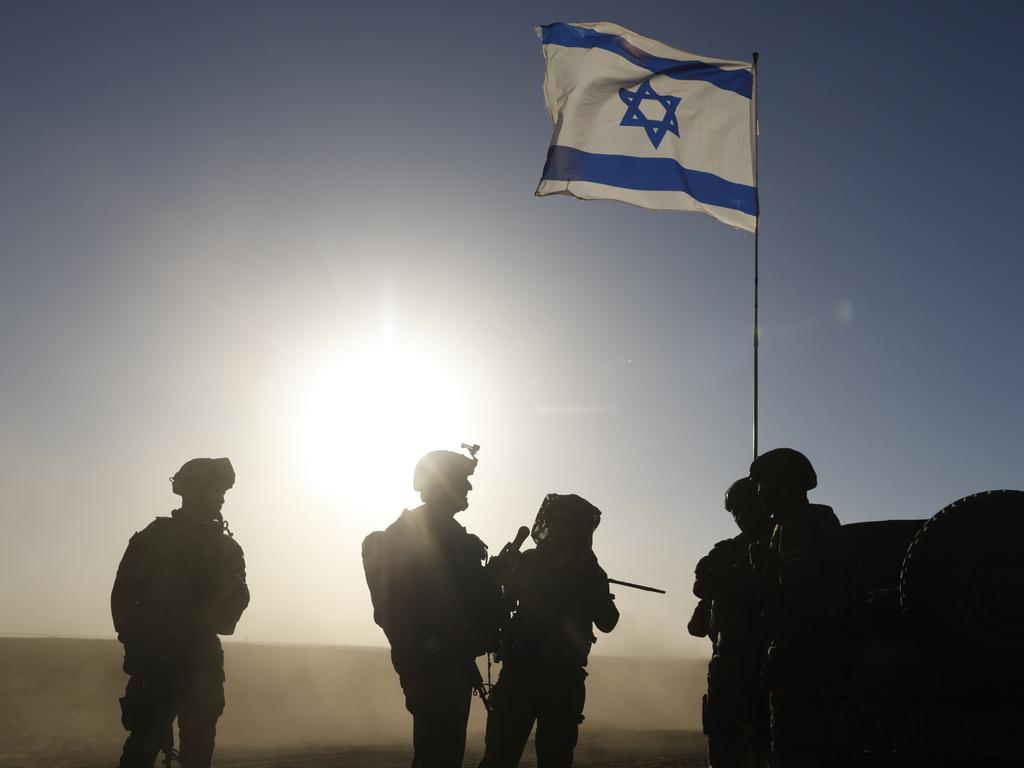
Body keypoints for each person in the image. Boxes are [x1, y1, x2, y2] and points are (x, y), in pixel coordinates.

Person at [362, 446, 501, 768]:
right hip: (432, 667)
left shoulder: (457, 540)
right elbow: (395, 615)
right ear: (440, 486)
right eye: (461, 480)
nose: (468, 488)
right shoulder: (406, 538)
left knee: (444, 755)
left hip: (454, 664)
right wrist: (412, 674)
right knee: (435, 756)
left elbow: (471, 600)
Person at [111, 457, 249, 768]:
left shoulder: (228, 550)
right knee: (141, 749)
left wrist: (229, 600)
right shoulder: (153, 540)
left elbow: (230, 616)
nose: (223, 497)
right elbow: (123, 599)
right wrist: (140, 652)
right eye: (216, 490)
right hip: (156, 660)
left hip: (201, 662)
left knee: (198, 751)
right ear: (196, 491)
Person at [478, 493, 619, 768]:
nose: (557, 526)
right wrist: (496, 578)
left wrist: (593, 591)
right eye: (553, 520)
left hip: (562, 681)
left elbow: (608, 622)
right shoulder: (528, 561)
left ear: (578, 528)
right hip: (519, 673)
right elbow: (501, 604)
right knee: (499, 756)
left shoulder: (590, 572)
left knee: (556, 758)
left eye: (565, 521)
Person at [749, 448, 863, 768]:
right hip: (827, 663)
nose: (760, 491)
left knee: (794, 751)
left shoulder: (796, 524)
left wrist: (778, 653)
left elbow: (803, 595)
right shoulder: (818, 521)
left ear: (783, 483)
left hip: (804, 664)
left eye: (765, 482)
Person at [688, 478, 772, 768]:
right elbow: (697, 623)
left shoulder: (783, 544)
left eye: (747, 508)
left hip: (769, 660)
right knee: (725, 745)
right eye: (735, 511)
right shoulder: (726, 553)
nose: (741, 517)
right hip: (729, 667)